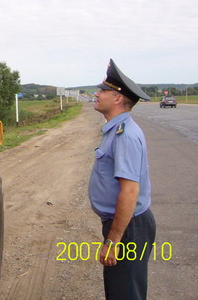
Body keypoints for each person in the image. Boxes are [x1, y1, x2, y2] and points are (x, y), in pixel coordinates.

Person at [89, 59, 156, 300]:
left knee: (126, 293)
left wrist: (113, 240)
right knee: (120, 290)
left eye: (103, 90)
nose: (96, 94)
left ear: (117, 98)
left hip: (128, 228)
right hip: (125, 224)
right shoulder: (115, 129)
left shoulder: (124, 135)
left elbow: (129, 192)